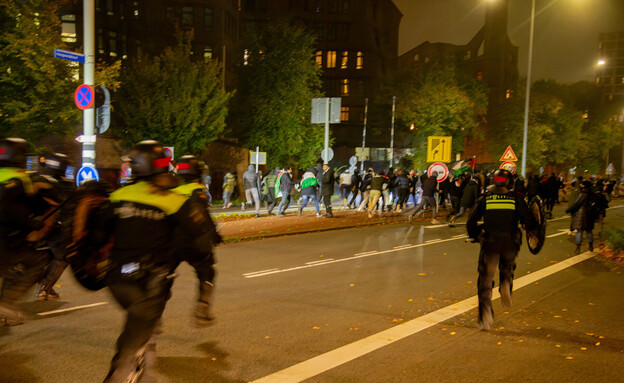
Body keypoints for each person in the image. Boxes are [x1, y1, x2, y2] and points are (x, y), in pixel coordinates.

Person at [96, 140, 218, 382]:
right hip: (154, 273)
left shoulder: (118, 195)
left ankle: (144, 357)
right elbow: (202, 235)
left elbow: (97, 234)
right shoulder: (180, 196)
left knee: (139, 315)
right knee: (205, 267)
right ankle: (203, 302)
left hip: (116, 277)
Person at [466, 169, 537, 330]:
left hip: (490, 243)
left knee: (485, 280)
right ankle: (506, 283)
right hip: (510, 243)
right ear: (509, 182)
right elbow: (530, 221)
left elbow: (471, 222)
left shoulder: (485, 198)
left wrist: (475, 235)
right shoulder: (516, 198)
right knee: (507, 267)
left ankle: (485, 317)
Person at [0, 138, 58, 326]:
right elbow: (10, 205)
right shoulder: (22, 178)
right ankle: (7, 304)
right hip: (7, 240)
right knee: (39, 260)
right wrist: (31, 221)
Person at [172, 155, 222, 327]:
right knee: (207, 271)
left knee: (163, 274)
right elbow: (203, 217)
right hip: (192, 241)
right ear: (198, 172)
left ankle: (153, 312)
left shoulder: (173, 190)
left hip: (171, 241)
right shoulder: (196, 190)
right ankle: (203, 306)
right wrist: (215, 236)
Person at [35, 152, 76, 300]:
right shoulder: (62, 185)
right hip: (53, 228)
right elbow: (68, 209)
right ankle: (44, 288)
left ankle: (46, 287)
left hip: (33, 227)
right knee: (62, 257)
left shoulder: (37, 179)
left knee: (44, 256)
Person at [565, 180, 606, 254]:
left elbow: (577, 203)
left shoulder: (583, 194)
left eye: (581, 184)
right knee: (589, 231)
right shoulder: (592, 193)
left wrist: (569, 210)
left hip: (581, 214)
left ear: (584, 186)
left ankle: (578, 248)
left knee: (579, 231)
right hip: (590, 214)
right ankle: (591, 247)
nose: (580, 185)